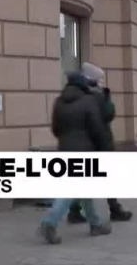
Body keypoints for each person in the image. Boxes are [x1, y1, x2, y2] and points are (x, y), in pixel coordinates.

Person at [38, 67, 113, 244]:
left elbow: (55, 128)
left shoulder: (58, 102)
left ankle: (95, 224)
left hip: (65, 149)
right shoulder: (88, 101)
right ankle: (49, 222)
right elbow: (97, 130)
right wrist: (104, 150)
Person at [67, 63, 133, 224]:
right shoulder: (96, 95)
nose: (103, 82)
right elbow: (108, 113)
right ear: (92, 80)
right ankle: (113, 210)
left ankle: (75, 211)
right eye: (100, 79)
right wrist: (106, 95)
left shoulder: (77, 93)